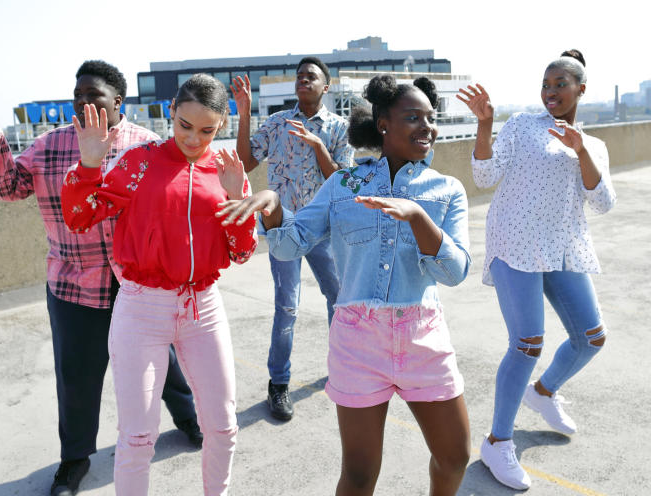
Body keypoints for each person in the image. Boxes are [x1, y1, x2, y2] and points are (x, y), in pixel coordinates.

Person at [0, 60, 201, 496]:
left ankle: (191, 421)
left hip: (138, 287)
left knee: (164, 364)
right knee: (77, 379)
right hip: (73, 286)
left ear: (118, 102)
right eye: (77, 95)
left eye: (93, 95)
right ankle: (74, 461)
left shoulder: (149, 146)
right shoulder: (49, 146)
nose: (82, 103)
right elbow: (9, 186)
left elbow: (179, 202)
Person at [219, 75, 472, 496]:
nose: (427, 126)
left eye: (431, 117)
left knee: (455, 457)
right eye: (413, 117)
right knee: (358, 475)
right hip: (358, 342)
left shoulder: (447, 190)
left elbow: (455, 271)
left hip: (423, 337)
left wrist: (418, 217)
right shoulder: (344, 185)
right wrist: (275, 209)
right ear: (384, 123)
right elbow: (287, 246)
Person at [61, 74, 257, 496]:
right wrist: (90, 164)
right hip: (141, 308)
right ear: (171, 111)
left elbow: (242, 252)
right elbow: (80, 217)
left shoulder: (225, 170)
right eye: (184, 125)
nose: (193, 138)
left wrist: (237, 199)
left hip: (203, 307)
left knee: (222, 426)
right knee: (137, 436)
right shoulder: (139, 161)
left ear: (222, 124)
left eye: (206, 130)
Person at [457, 56, 616, 490]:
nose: (550, 91)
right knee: (527, 343)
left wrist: (579, 148)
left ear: (581, 88)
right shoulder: (523, 126)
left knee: (592, 337)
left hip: (562, 250)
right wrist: (486, 125)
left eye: (560, 83)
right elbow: (484, 174)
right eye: (545, 83)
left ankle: (543, 392)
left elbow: (602, 202)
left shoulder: (593, 144)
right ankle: (496, 442)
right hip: (515, 245)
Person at [231, 56, 354, 421]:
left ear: (325, 86)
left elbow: (343, 183)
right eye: (300, 76)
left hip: (322, 228)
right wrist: (244, 113)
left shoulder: (338, 128)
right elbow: (245, 160)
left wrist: (319, 146)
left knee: (339, 299)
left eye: (311, 76)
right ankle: (279, 383)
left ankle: (343, 367)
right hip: (283, 226)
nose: (303, 80)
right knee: (287, 306)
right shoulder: (277, 122)